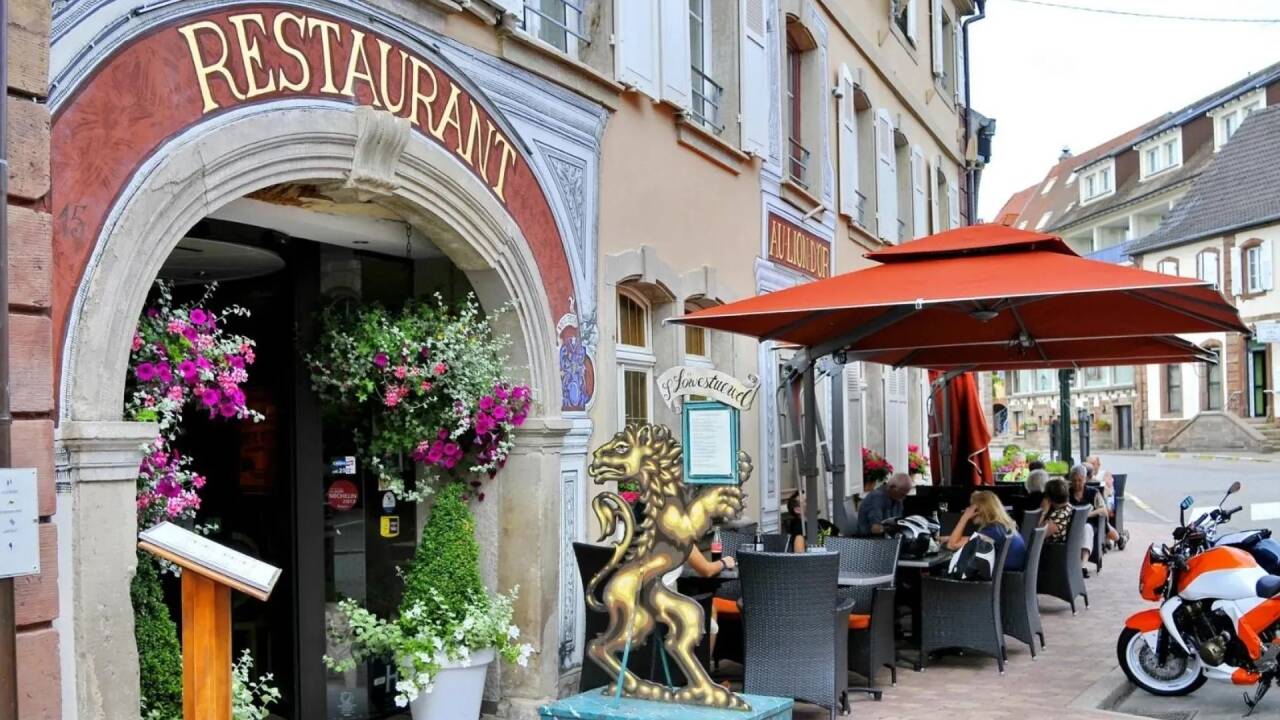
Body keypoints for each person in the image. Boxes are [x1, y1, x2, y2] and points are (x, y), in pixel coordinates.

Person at [946, 490, 1027, 571]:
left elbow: (952, 545)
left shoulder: (991, 530)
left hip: (1002, 577)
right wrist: (947, 538)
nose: (969, 510)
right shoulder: (1000, 527)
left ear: (980, 510)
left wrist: (965, 517)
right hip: (1011, 575)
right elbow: (971, 540)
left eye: (972, 507)